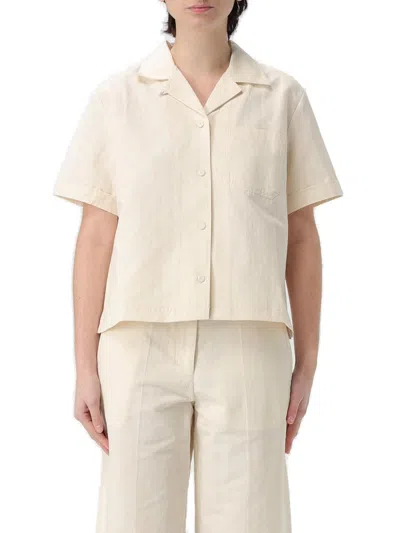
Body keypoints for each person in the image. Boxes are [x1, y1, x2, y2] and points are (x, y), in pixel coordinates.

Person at [52, 1, 344, 532]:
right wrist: (85, 368)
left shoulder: (282, 98)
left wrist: (307, 362)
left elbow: (302, 236)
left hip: (248, 342)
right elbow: (96, 235)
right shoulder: (117, 98)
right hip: (137, 344)